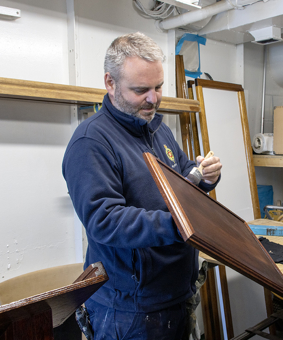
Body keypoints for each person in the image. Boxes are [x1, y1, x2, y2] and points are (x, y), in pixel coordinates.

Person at [62, 32, 222, 340]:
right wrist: (181, 223)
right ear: (111, 83)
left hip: (175, 295)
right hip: (130, 311)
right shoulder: (91, 143)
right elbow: (105, 221)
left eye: (159, 87)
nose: (154, 98)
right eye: (141, 90)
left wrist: (205, 176)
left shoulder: (155, 129)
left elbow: (184, 173)